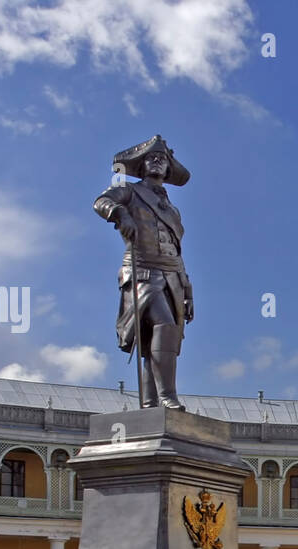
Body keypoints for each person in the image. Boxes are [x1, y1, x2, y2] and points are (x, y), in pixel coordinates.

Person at [94, 134, 194, 409]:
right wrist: (120, 213)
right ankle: (168, 395)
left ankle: (150, 402)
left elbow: (177, 251)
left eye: (162, 159)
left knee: (158, 340)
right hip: (141, 271)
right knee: (164, 326)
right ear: (142, 165)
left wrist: (187, 290)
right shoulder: (130, 191)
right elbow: (101, 202)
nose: (157, 162)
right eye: (152, 158)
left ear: (168, 168)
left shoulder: (172, 210)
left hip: (172, 276)